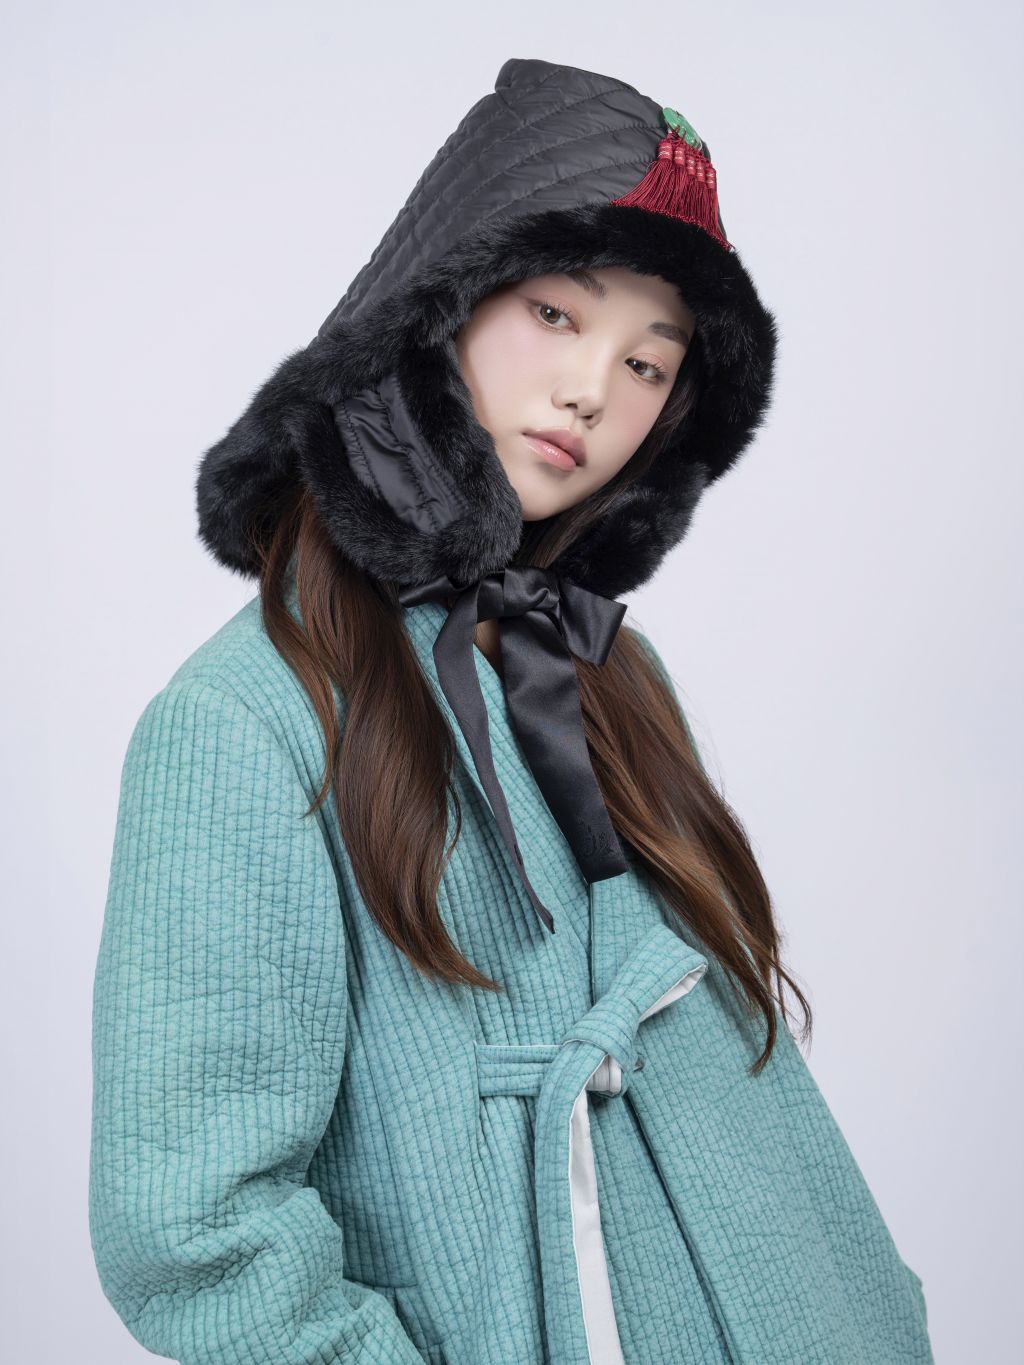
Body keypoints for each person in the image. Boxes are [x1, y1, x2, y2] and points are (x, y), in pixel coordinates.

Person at [88, 57, 935, 1365]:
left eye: (648, 363)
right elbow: (196, 1234)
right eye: (554, 312)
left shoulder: (609, 673)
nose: (595, 391)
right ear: (435, 304)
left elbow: (735, 1072)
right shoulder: (242, 721)